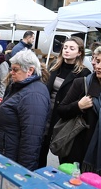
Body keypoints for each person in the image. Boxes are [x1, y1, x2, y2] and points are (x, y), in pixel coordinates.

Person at [0, 49, 50, 170]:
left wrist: (23, 173)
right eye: (11, 69)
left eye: (15, 69)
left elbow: (31, 140)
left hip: (10, 161)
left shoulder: (34, 95)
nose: (11, 73)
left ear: (30, 70)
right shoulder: (20, 87)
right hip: (4, 155)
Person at [38, 37, 91, 168]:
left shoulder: (84, 73)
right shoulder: (54, 66)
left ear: (79, 52)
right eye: (65, 47)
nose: (66, 50)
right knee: (40, 150)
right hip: (46, 114)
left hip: (65, 117)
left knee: (65, 155)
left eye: (71, 48)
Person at [56, 46, 101, 171]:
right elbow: (61, 110)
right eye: (97, 61)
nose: (97, 66)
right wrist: (78, 106)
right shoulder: (82, 83)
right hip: (78, 152)